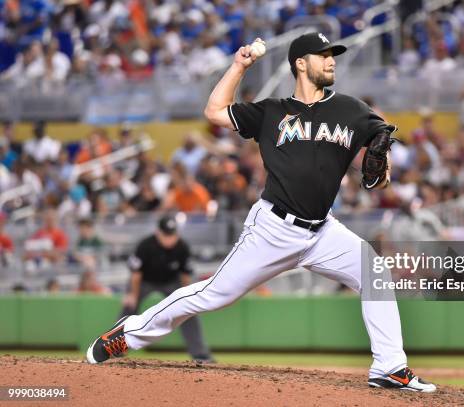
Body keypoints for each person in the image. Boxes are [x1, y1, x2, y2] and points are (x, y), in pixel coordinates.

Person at [86, 32, 436, 393]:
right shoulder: (271, 111)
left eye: (334, 55)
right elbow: (214, 111)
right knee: (213, 295)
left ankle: (390, 367)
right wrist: (239, 66)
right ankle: (128, 333)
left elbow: (380, 168)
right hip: (273, 227)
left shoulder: (353, 110)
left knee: (374, 271)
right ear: (301, 63)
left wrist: (382, 162)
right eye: (323, 55)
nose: (332, 61)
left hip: (323, 232)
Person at [118, 215, 214, 363]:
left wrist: (189, 298)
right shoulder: (145, 245)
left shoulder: (182, 247)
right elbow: (136, 274)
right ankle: (116, 349)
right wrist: (132, 294)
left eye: (172, 235)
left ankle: (200, 354)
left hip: (171, 282)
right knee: (129, 306)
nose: (169, 239)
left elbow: (186, 276)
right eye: (166, 235)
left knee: (189, 310)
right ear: (158, 233)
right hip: (145, 280)